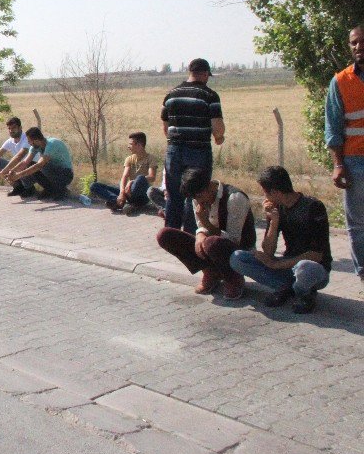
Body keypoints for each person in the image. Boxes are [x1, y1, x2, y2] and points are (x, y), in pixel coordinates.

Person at [230, 166, 331, 314]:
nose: (265, 197)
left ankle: (305, 294)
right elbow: (268, 251)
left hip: (315, 269)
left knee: (304, 267)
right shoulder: (278, 209)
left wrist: (277, 265)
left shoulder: (313, 207)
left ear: (275, 192)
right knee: (238, 258)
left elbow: (316, 255)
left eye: (265, 193)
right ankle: (286, 287)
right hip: (288, 266)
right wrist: (273, 221)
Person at [156, 168, 254, 300]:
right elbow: (201, 227)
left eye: (199, 196)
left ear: (208, 186)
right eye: (194, 198)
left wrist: (205, 223)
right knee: (165, 235)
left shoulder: (234, 198)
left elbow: (234, 239)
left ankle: (233, 278)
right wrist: (200, 235)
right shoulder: (198, 197)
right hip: (212, 247)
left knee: (211, 243)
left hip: (239, 251)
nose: (198, 201)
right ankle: (210, 272)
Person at [161, 58, 225, 233]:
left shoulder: (171, 95)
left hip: (174, 150)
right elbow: (218, 128)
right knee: (196, 195)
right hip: (198, 151)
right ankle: (190, 235)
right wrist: (219, 137)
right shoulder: (209, 95)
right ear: (205, 74)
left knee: (174, 195)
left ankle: (171, 235)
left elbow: (166, 128)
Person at [324, 24, 364, 285]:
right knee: (358, 224)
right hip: (354, 162)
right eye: (354, 43)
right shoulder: (341, 81)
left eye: (362, 42)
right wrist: (338, 165)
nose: (358, 47)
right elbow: (333, 126)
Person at [89, 131, 158, 215]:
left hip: (141, 194)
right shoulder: (129, 159)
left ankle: (119, 203)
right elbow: (124, 177)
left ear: (139, 145)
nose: (128, 146)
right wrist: (122, 193)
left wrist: (132, 182)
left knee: (140, 178)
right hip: (128, 192)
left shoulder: (151, 158)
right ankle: (121, 202)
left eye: (131, 144)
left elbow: (152, 176)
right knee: (94, 186)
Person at [7, 127, 74, 200]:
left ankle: (61, 190)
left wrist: (18, 175)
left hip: (66, 174)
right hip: (53, 171)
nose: (28, 143)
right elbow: (25, 162)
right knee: (31, 164)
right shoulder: (35, 147)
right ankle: (49, 189)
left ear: (36, 141)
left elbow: (39, 165)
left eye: (29, 141)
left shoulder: (51, 144)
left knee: (41, 166)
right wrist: (12, 172)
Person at [0, 117, 33, 197]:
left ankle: (30, 188)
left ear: (20, 128)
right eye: (9, 128)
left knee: (21, 165)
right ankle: (18, 187)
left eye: (14, 128)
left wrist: (4, 171)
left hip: (31, 169)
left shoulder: (26, 138)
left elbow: (19, 156)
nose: (11, 130)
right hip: (19, 168)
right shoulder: (10, 141)